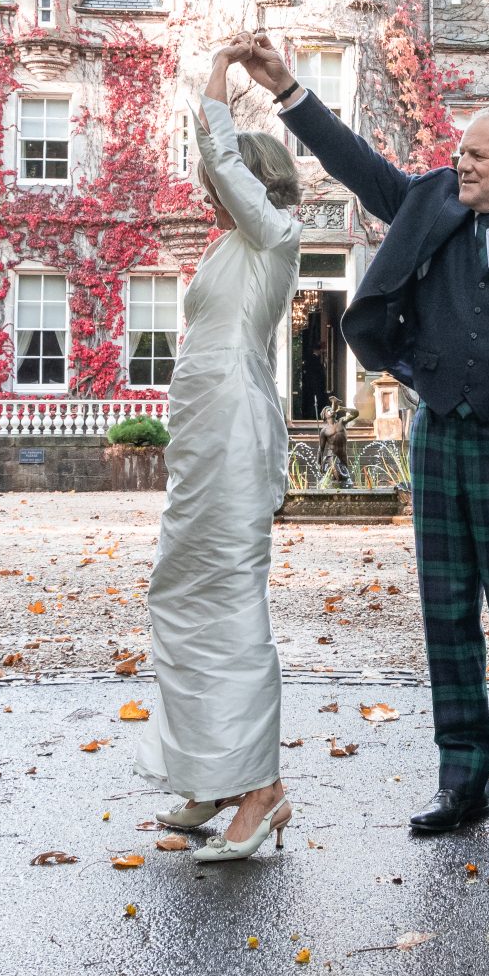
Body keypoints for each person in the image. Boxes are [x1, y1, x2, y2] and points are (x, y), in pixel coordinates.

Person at [236, 31, 489, 848]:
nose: (463, 163)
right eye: (458, 151)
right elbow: (358, 165)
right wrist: (289, 91)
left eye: (478, 154)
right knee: (446, 618)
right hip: (440, 441)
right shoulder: (434, 206)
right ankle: (461, 781)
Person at [136, 45, 302, 861]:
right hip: (201, 431)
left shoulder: (275, 233)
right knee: (178, 595)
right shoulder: (229, 242)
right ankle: (212, 771)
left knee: (230, 604)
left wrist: (218, 76)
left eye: (221, 182)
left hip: (235, 426)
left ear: (250, 178)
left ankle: (262, 787)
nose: (209, 193)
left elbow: (218, 152)